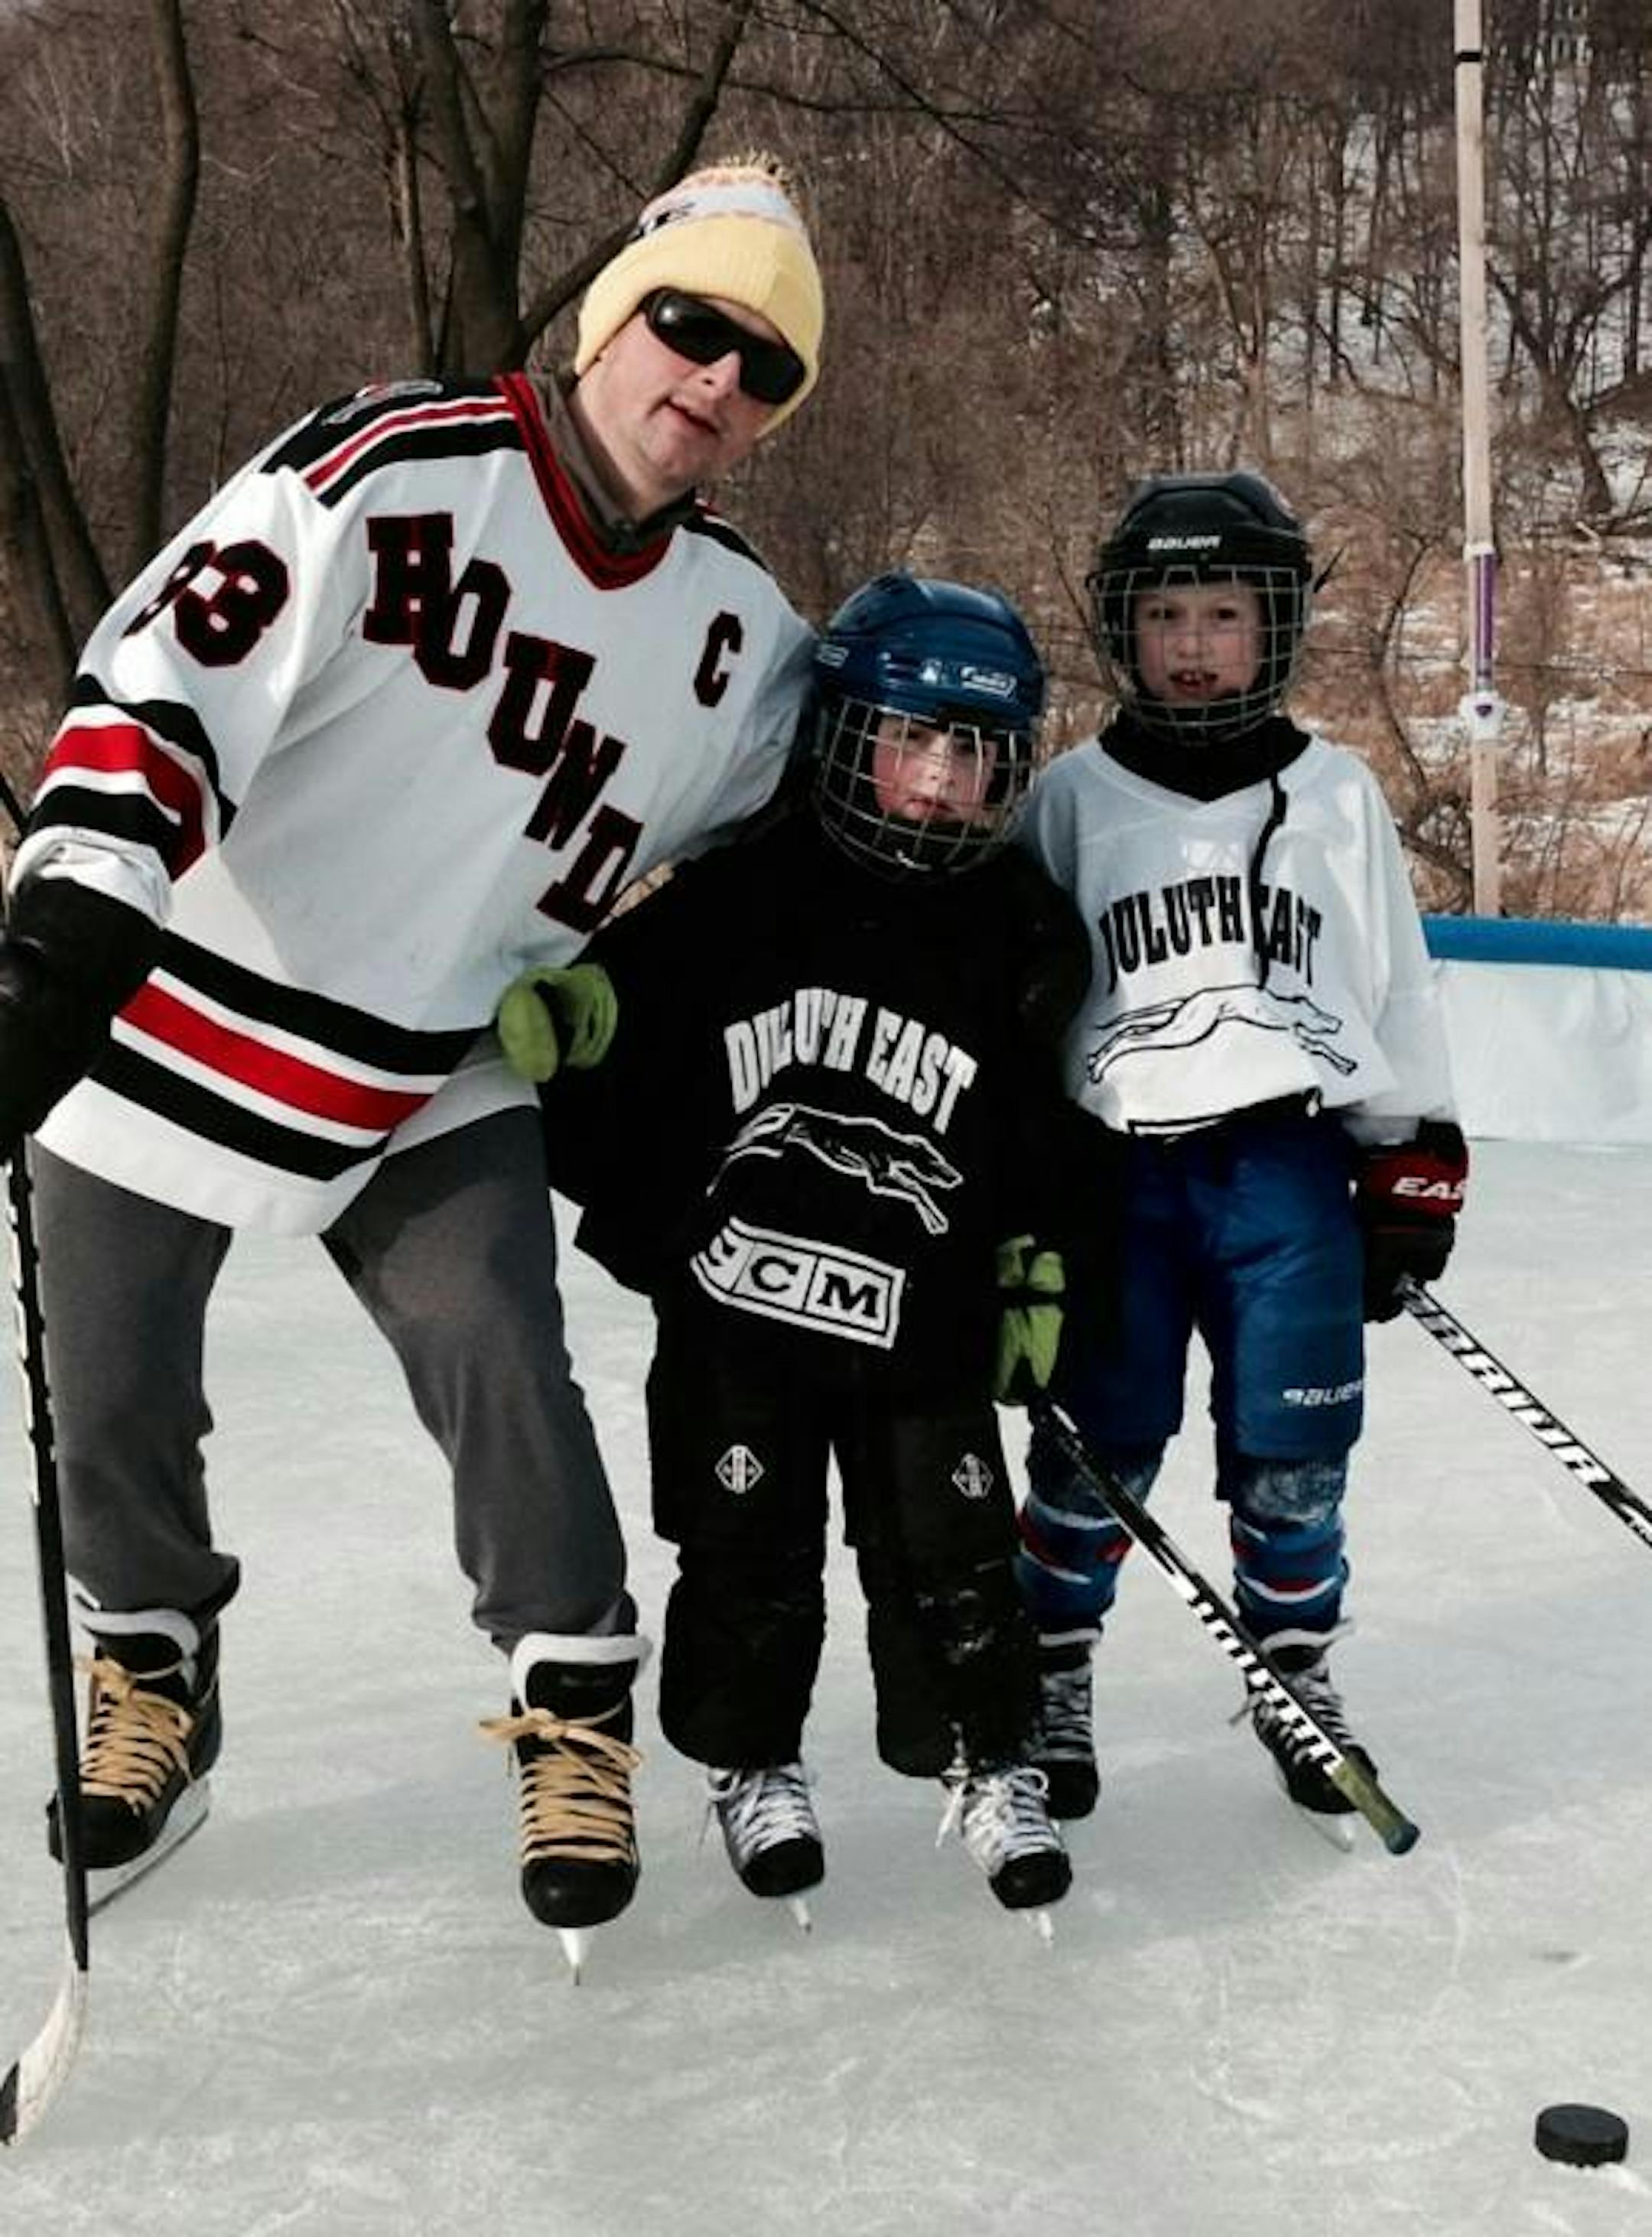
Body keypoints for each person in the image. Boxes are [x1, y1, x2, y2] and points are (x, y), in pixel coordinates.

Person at [0, 152, 826, 1944]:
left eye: (767, 369)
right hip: (164, 1006)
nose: (713, 383)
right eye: (692, 325)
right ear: (615, 313)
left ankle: (572, 1702)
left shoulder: (744, 637)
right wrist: (71, 913)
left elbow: (831, 830)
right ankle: (155, 1666)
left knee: (499, 1350)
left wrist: (622, 975)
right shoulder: (400, 460)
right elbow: (166, 676)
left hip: (432, 1055)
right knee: (110, 1395)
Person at [508, 575, 1094, 1917]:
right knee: (740, 1543)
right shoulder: (746, 891)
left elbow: (1039, 1126)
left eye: (975, 755)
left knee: (950, 1546)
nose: (941, 783)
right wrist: (585, 1019)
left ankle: (986, 1753)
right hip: (740, 1309)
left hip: (925, 1311)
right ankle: (751, 1759)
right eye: (914, 741)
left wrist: (1034, 1261)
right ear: (843, 731)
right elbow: (633, 1003)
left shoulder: (1018, 924)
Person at [1011, 470, 1467, 1832]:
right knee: (1104, 1444)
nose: (1196, 641)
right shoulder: (1070, 801)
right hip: (1119, 1179)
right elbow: (1025, 1009)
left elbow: (1395, 988)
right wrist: (1016, 1194)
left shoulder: (1338, 795)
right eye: (1168, 614)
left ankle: (1295, 1671)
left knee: (1296, 1454)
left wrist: (1412, 1162)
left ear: (1276, 626)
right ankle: (1052, 1668)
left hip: (1288, 1176)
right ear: (1122, 630)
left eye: (1225, 610)